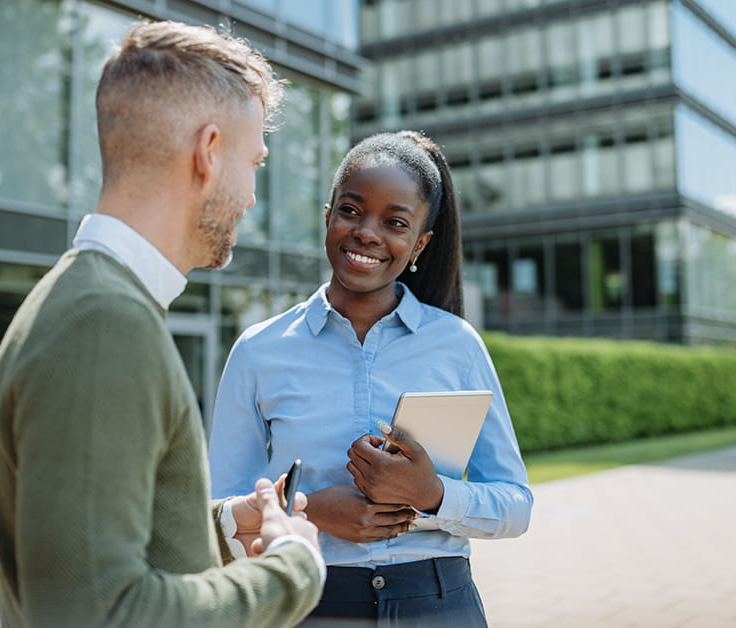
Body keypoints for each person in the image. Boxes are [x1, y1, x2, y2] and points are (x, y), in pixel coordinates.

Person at [0, 21, 325, 627]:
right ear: (208, 152)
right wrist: (292, 571)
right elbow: (99, 613)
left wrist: (215, 526)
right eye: (253, 163)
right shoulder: (103, 324)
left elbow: (96, 559)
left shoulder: (88, 301)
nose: (250, 198)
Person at [209, 131, 533, 626]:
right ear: (328, 216)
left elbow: (516, 504)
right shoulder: (259, 351)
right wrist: (309, 510)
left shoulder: (458, 345)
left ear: (420, 243)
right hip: (308, 603)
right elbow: (218, 512)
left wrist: (432, 494)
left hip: (440, 603)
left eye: (395, 222)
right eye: (351, 210)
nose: (367, 232)